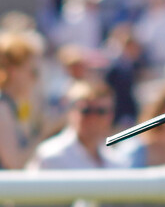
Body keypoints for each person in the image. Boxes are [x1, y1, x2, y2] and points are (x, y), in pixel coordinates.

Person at [27, 79, 126, 169]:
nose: (93, 118)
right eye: (86, 111)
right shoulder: (49, 156)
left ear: (111, 115)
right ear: (71, 112)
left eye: (101, 111)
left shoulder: (116, 160)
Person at [0, 31, 52, 169]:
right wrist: (44, 133)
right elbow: (14, 164)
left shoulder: (14, 104)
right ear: (13, 71)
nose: (36, 79)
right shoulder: (2, 108)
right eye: (33, 72)